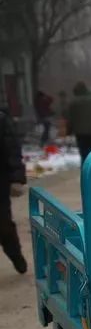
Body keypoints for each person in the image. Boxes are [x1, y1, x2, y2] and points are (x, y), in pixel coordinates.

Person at [0, 105, 28, 273]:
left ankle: (15, 255)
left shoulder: (1, 120)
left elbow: (12, 149)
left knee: (3, 225)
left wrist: (16, 177)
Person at [65, 81, 91, 164]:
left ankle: (85, 173)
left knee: (84, 154)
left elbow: (70, 119)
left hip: (80, 133)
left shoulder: (73, 103)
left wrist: (69, 131)